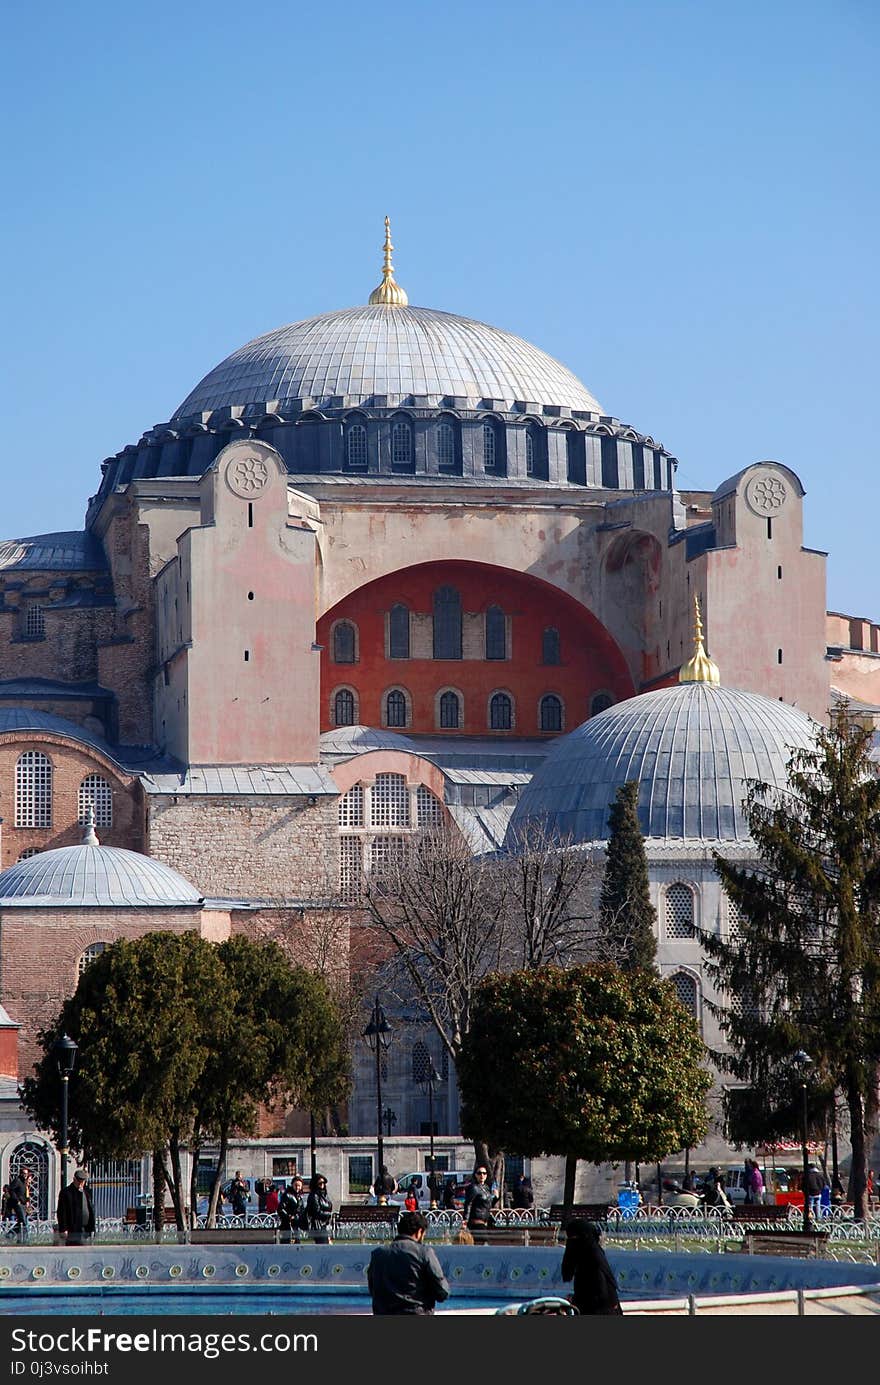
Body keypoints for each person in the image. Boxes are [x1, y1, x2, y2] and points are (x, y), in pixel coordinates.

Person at [367, 1210, 450, 1315]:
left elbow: (372, 1288)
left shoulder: (377, 1254)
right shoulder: (424, 1252)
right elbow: (442, 1291)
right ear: (419, 1232)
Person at [560, 1218, 623, 1316]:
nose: (570, 1244)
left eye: (574, 1238)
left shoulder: (592, 1261)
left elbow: (599, 1296)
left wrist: (576, 1300)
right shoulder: (591, 1254)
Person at [56, 1168, 95, 1246]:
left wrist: (92, 1227)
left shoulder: (86, 1191)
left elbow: (90, 1208)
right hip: (73, 1229)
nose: (81, 1184)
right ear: (74, 1179)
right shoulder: (66, 1192)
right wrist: (63, 1228)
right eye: (79, 1181)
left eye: (82, 1182)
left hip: (86, 1228)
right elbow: (61, 1212)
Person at [463, 1165, 495, 1242]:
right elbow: (468, 1204)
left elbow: (487, 1204)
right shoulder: (474, 1188)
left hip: (486, 1222)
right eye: (479, 1173)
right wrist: (465, 1220)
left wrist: (496, 1197)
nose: (482, 1175)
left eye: (484, 1173)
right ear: (475, 1175)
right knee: (484, 1243)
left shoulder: (486, 1187)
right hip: (476, 1222)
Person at [278, 1176, 306, 1244]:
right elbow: (280, 1209)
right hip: (287, 1226)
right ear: (292, 1185)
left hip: (296, 1225)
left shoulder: (299, 1197)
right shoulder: (287, 1195)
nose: (297, 1187)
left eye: (299, 1186)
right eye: (296, 1185)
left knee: (297, 1245)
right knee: (287, 1245)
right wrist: (288, 1216)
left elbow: (301, 1210)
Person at [306, 1172, 333, 1243]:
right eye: (320, 1183)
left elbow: (329, 1206)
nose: (322, 1185)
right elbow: (316, 1212)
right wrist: (329, 1214)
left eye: (323, 1183)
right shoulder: (314, 1195)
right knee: (322, 1245)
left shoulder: (324, 1194)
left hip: (325, 1224)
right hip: (318, 1225)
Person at [8, 1168, 32, 1242]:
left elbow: (25, 1194)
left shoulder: (23, 1182)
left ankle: (10, 1235)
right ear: (21, 1173)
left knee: (21, 1222)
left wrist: (27, 1201)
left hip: (23, 1203)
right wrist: (17, 1200)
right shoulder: (17, 1181)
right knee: (23, 1221)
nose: (25, 1175)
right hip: (18, 1204)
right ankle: (23, 1239)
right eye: (24, 1173)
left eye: (26, 1174)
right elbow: (11, 1189)